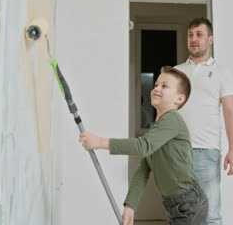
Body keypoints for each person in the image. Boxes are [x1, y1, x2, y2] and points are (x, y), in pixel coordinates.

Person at [79, 66, 209, 225]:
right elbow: (143, 170)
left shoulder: (172, 119)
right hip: (175, 203)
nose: (157, 88)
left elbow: (143, 146)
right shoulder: (157, 129)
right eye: (156, 85)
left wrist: (101, 142)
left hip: (188, 203)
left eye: (164, 86)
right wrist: (130, 205)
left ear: (179, 99)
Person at [175, 17, 233, 225]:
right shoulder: (176, 73)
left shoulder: (222, 73)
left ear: (210, 39)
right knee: (181, 216)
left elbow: (230, 112)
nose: (194, 39)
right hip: (177, 153)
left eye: (199, 35)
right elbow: (165, 112)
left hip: (207, 153)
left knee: (210, 216)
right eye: (190, 35)